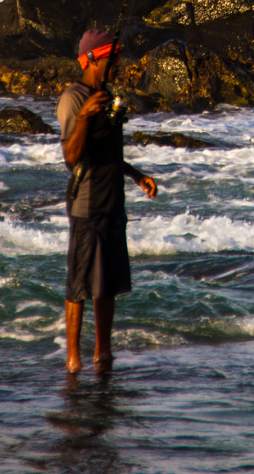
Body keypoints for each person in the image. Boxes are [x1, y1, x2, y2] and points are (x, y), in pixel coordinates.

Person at [57, 29, 158, 373]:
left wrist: (135, 174)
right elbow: (71, 157)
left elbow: (109, 152)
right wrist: (85, 116)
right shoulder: (74, 98)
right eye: (114, 58)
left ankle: (103, 354)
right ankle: (73, 360)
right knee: (80, 285)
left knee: (107, 285)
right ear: (97, 58)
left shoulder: (107, 95)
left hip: (114, 202)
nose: (118, 64)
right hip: (87, 205)